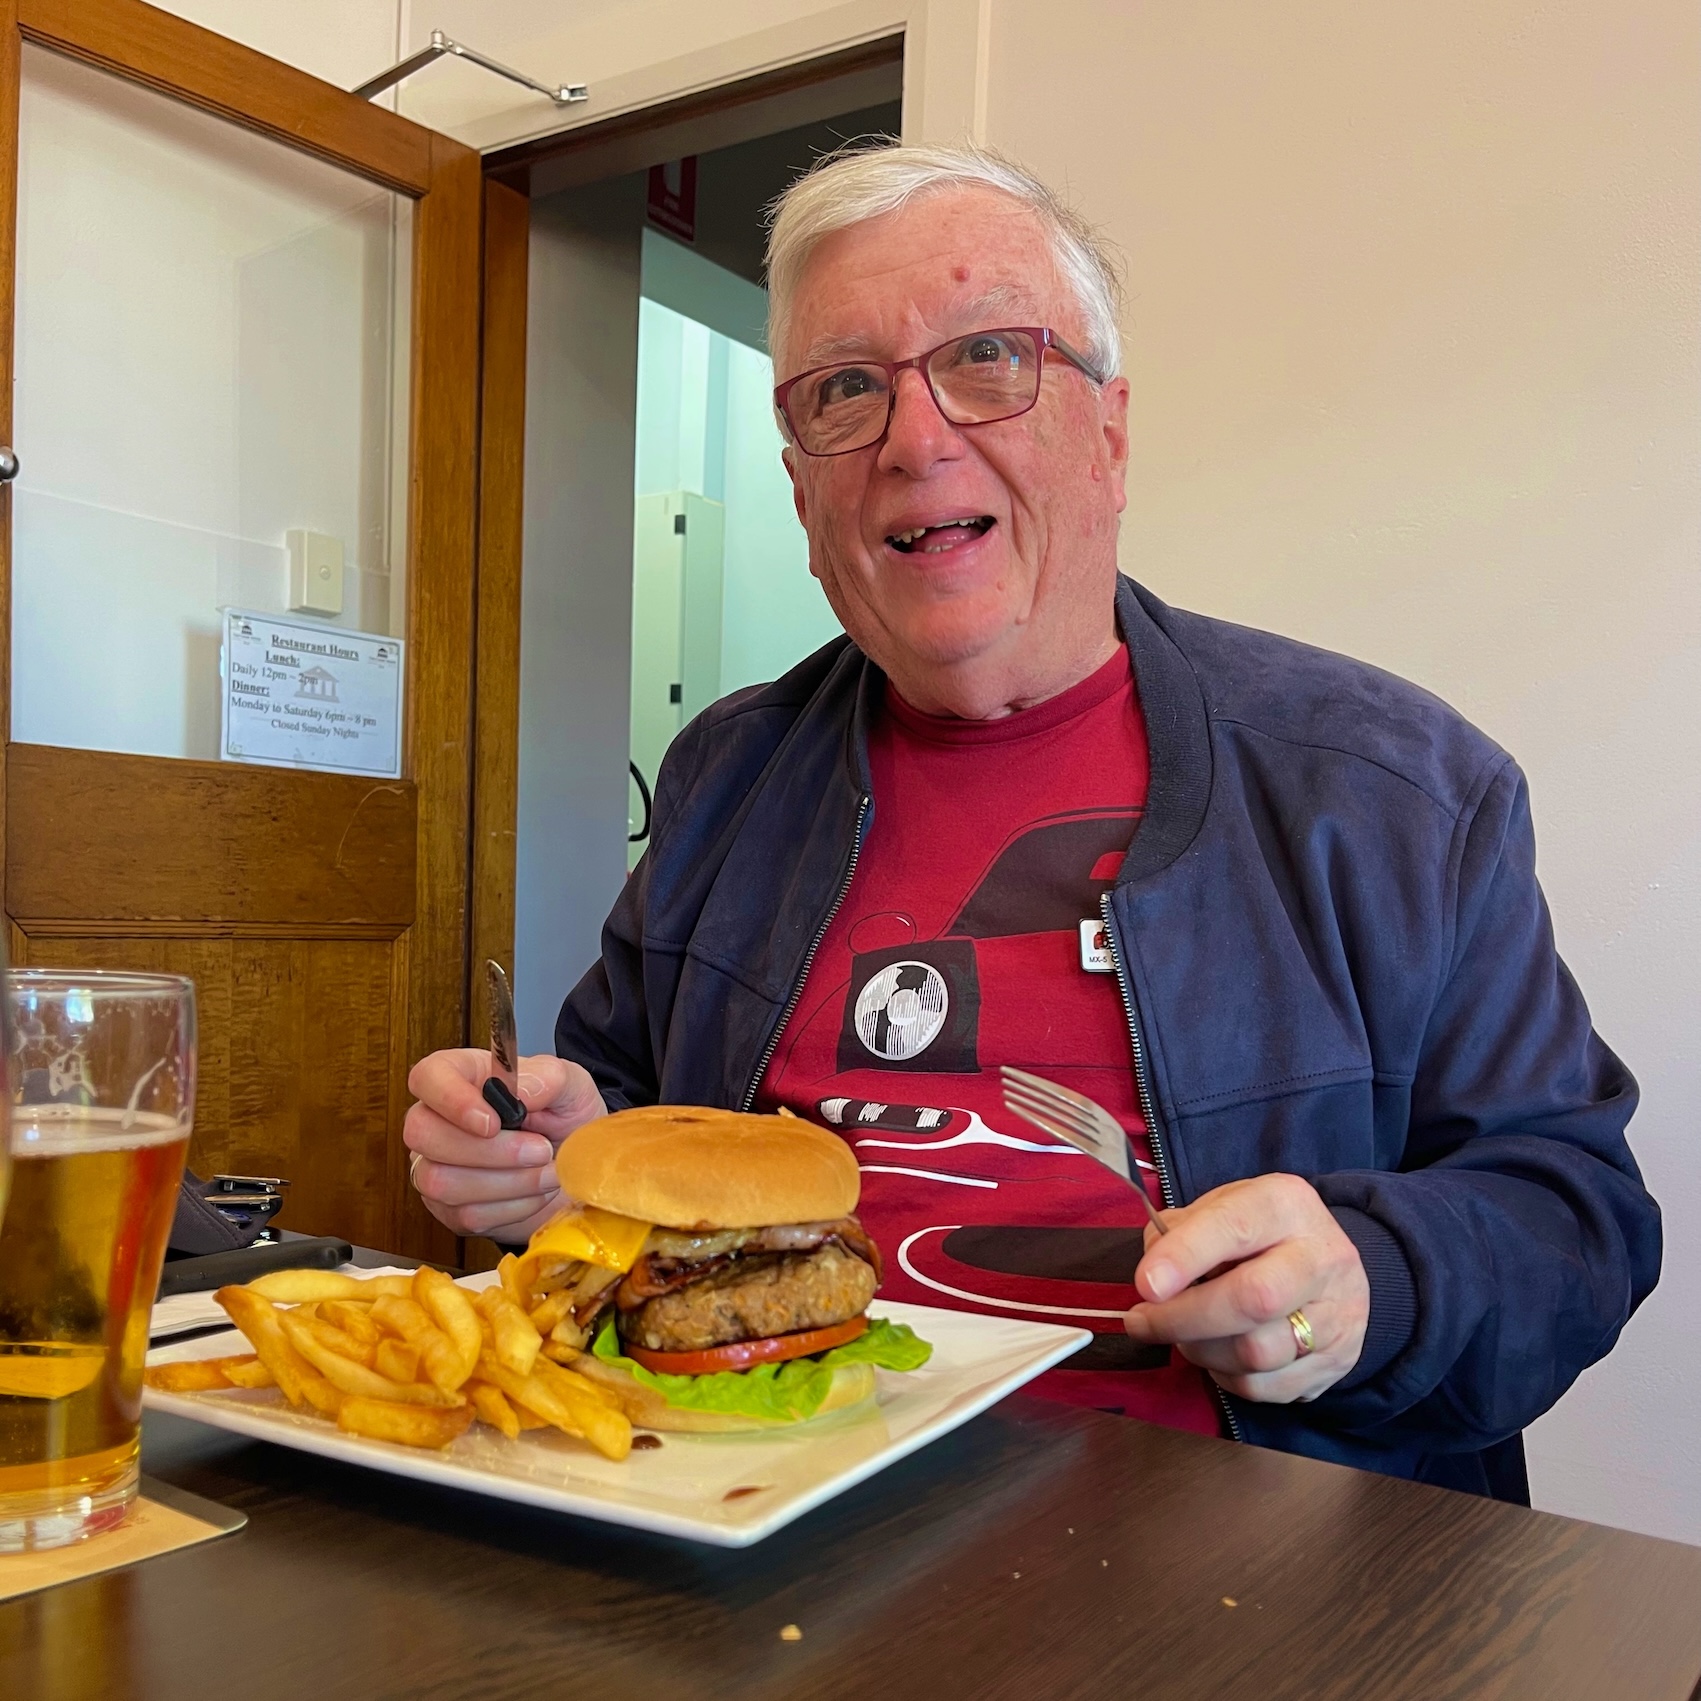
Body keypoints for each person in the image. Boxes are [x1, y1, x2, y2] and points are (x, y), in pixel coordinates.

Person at [405, 142, 1660, 1498]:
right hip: (754, 1525)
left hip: (1254, 1576)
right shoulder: (728, 772)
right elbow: (625, 1108)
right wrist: (545, 1162)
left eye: (988, 359)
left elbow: (1576, 1214)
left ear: (1109, 434)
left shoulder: (1397, 787)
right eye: (844, 390)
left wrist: (1370, 1278)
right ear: (800, 495)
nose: (914, 437)